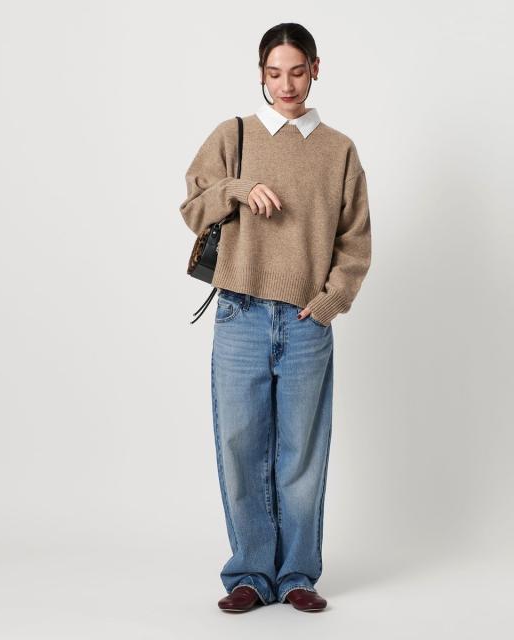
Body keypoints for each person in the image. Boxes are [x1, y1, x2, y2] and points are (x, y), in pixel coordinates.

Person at [179, 22, 372, 613]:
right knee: (241, 448)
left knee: (301, 454)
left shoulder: (339, 150)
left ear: (316, 69)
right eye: (274, 73)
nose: (286, 85)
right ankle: (250, 573)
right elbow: (192, 206)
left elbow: (355, 242)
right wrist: (238, 188)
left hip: (307, 321)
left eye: (296, 71)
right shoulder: (234, 135)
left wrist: (329, 303)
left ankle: (296, 576)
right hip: (240, 313)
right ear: (261, 74)